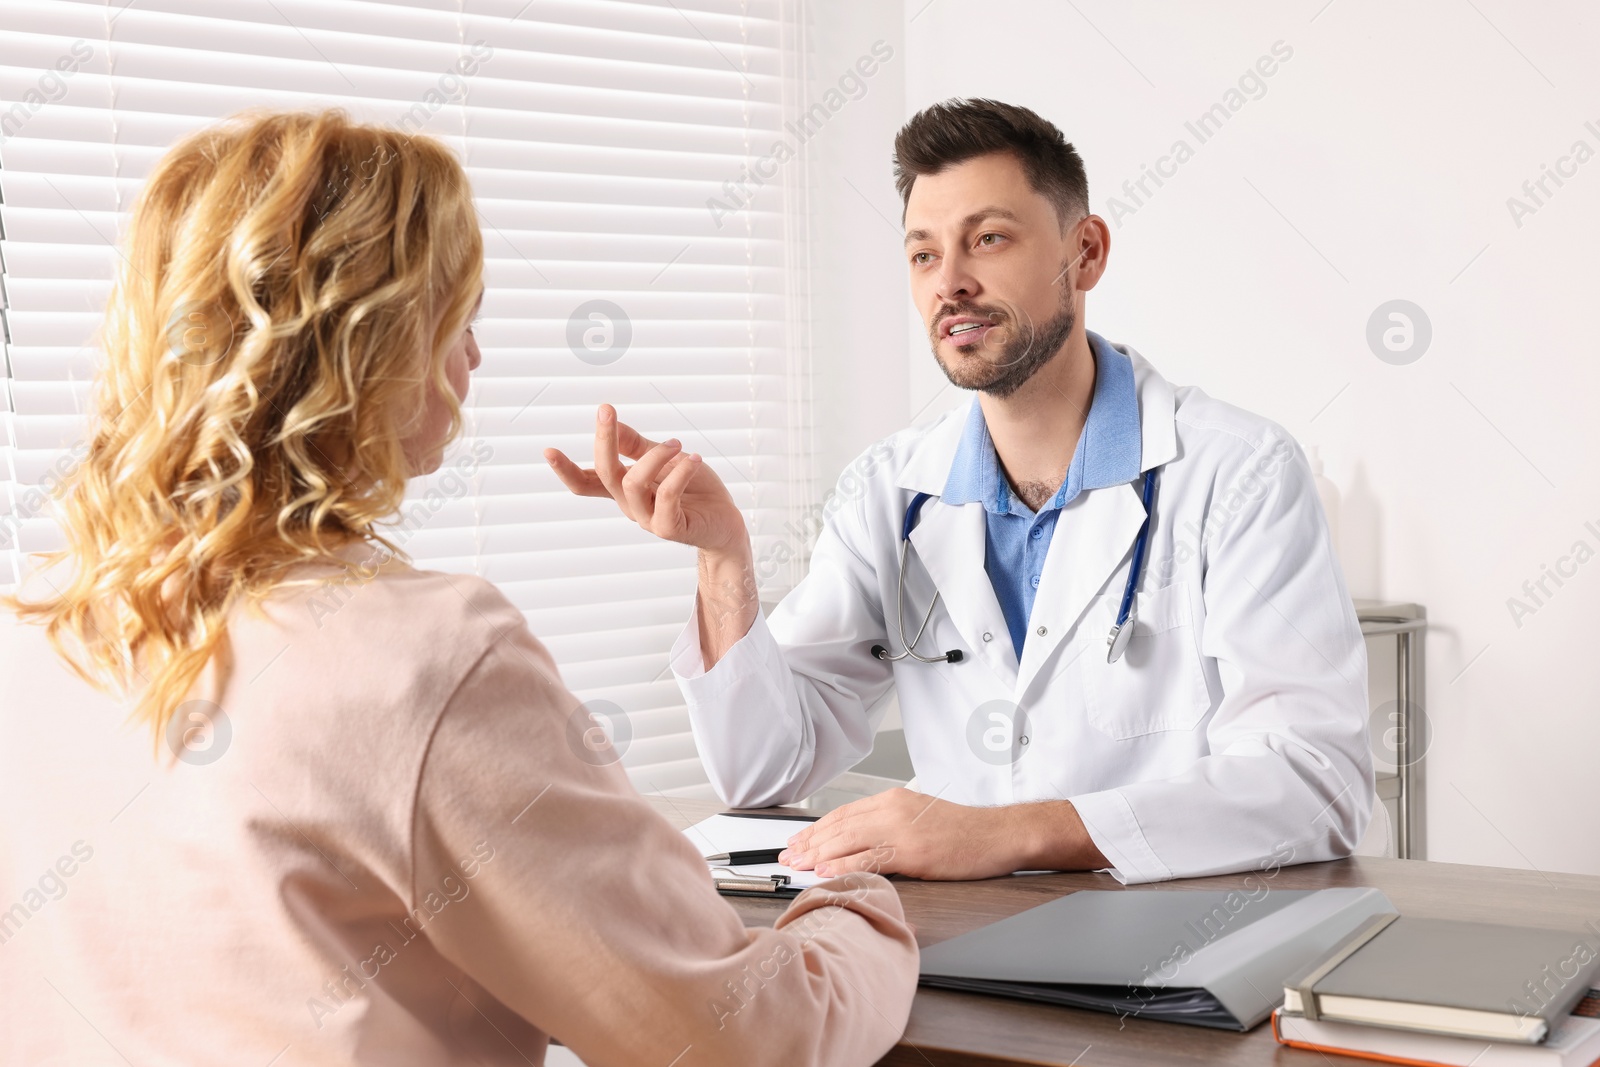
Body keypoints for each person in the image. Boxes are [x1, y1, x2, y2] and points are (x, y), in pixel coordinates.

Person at [0, 110, 916, 1067]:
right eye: (459, 315)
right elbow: (747, 1042)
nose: (474, 358)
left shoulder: (36, 632)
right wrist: (857, 911)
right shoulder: (424, 654)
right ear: (371, 338)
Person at [546, 98, 1374, 886]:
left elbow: (1317, 782)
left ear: (1084, 253)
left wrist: (1009, 832)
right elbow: (766, 767)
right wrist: (723, 565)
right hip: (957, 945)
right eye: (923, 254)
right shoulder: (891, 491)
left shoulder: (1238, 472)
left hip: (1170, 951)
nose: (950, 283)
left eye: (988, 239)